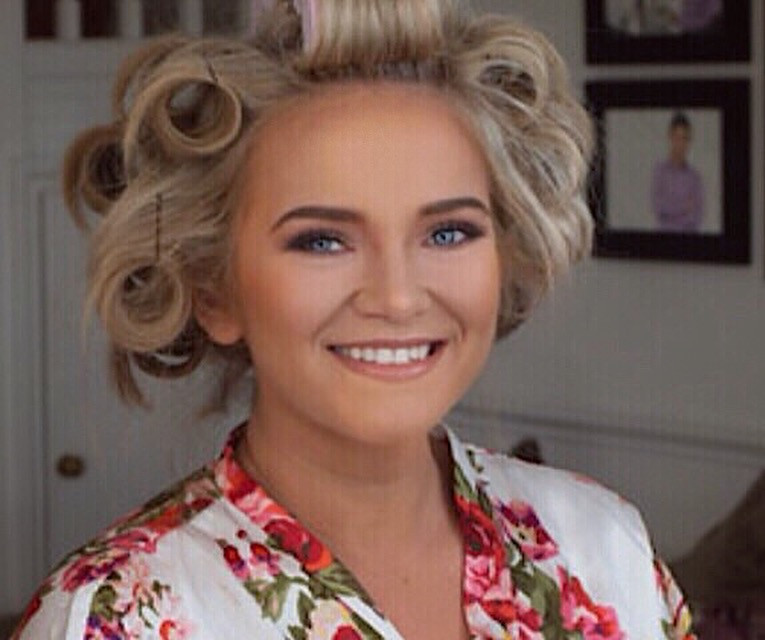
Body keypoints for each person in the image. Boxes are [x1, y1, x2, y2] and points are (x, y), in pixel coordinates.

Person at [13, 1, 695, 638]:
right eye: (321, 240)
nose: (397, 297)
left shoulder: (605, 547)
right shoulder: (111, 615)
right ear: (211, 291)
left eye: (449, 232)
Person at [652, 112, 705, 233]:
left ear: (689, 141)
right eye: (677, 137)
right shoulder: (660, 172)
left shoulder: (695, 178)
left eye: (684, 138)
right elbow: (659, 208)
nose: (680, 144)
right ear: (670, 137)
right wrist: (684, 207)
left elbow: (697, 216)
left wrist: (672, 209)